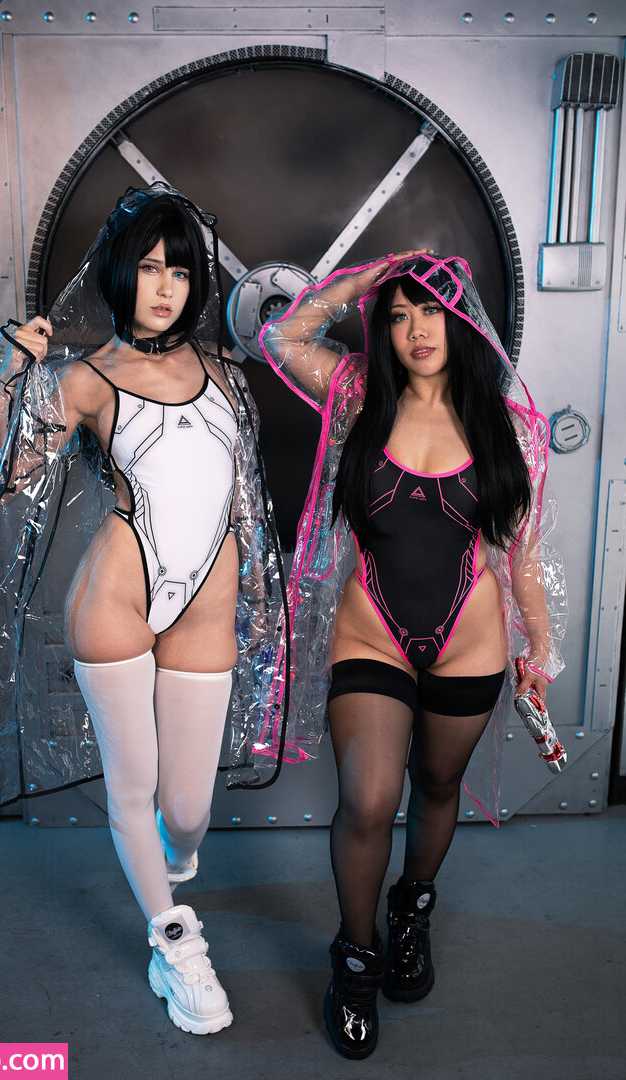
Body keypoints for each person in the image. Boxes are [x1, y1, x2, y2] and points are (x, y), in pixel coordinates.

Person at [0, 185, 288, 1036]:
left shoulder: (226, 374)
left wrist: (256, 592)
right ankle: (177, 947)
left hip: (204, 601)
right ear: (119, 274)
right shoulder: (88, 377)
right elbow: (3, 479)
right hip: (117, 597)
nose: (165, 286)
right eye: (149, 267)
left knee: (188, 811)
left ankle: (170, 862)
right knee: (133, 789)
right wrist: (11, 376)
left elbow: (244, 500)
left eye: (180, 270)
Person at [260, 254, 567, 1059]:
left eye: (431, 310)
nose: (416, 329)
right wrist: (371, 278)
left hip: (470, 642)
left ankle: (411, 912)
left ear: (462, 320)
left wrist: (541, 651)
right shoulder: (357, 394)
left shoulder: (509, 426)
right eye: (398, 316)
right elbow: (282, 336)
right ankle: (355, 961)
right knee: (367, 801)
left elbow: (524, 555)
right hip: (373, 633)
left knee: (435, 787)